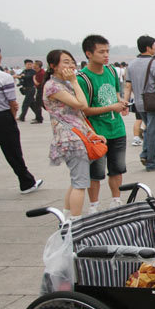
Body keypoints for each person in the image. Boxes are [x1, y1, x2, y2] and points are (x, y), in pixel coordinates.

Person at [77, 35, 128, 213]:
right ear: (88, 53)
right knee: (95, 173)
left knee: (117, 169)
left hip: (117, 129)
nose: (106, 55)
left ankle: (116, 201)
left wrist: (121, 104)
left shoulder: (112, 71)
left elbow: (116, 94)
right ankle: (94, 206)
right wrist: (111, 107)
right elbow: (84, 110)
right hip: (96, 133)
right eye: (101, 52)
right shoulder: (83, 79)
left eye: (107, 51)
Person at [42, 49, 95, 218]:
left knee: (76, 181)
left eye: (72, 62)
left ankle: (66, 218)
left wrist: (91, 133)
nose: (71, 65)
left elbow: (79, 114)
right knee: (80, 183)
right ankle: (75, 222)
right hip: (70, 139)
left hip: (77, 135)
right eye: (65, 62)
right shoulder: (53, 86)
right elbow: (82, 105)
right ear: (53, 66)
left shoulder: (63, 84)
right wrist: (75, 81)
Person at [0, 42, 43, 203]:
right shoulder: (3, 77)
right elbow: (12, 102)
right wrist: (12, 117)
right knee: (13, 153)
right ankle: (26, 183)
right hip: (2, 118)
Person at [124, 35, 155, 172]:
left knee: (150, 130)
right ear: (148, 48)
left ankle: (145, 154)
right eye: (154, 46)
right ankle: (151, 161)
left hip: (139, 103)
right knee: (153, 132)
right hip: (153, 103)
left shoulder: (131, 64)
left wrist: (126, 102)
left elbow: (128, 86)